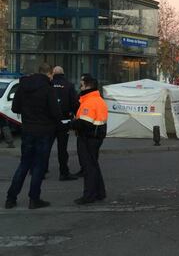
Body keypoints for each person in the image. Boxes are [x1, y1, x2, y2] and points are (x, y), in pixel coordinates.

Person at [5, 63, 61, 209]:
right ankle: (34, 199)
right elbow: (56, 113)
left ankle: (11, 198)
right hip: (44, 131)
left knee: (24, 164)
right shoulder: (48, 89)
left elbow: (15, 108)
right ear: (49, 74)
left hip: (28, 129)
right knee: (39, 166)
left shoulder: (23, 86)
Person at [70, 75, 108, 205]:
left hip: (88, 137)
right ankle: (99, 192)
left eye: (81, 84)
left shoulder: (90, 101)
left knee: (89, 167)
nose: (79, 87)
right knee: (93, 166)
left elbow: (84, 123)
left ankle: (89, 195)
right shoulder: (96, 99)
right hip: (94, 137)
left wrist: (69, 124)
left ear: (87, 86)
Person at [46, 66, 79, 181]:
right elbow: (75, 103)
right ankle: (63, 172)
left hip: (49, 121)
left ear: (53, 73)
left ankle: (42, 170)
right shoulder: (69, 85)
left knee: (46, 147)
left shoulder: (49, 84)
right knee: (62, 148)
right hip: (64, 121)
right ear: (63, 73)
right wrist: (75, 120)